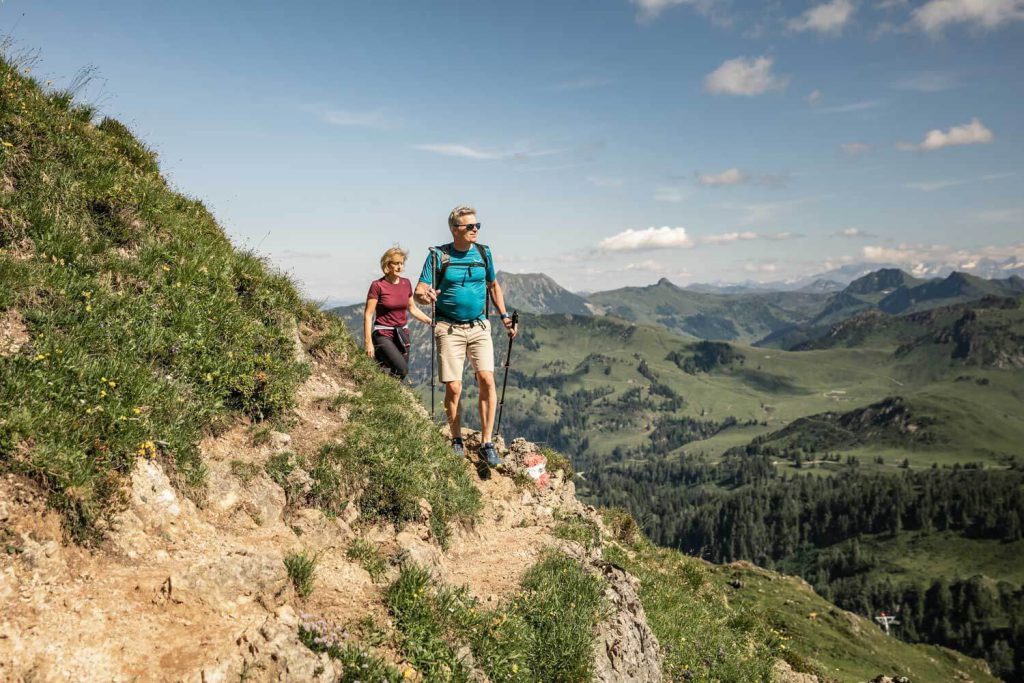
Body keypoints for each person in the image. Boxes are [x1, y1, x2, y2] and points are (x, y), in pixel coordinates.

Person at [415, 206, 517, 467]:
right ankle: (456, 438)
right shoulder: (438, 256)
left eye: (477, 226)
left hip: (479, 326)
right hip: (449, 328)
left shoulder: (484, 253)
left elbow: (493, 286)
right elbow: (419, 291)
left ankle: (487, 443)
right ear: (454, 229)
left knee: (486, 379)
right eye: (469, 226)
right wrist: (425, 296)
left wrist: (505, 317)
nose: (475, 230)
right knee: (454, 386)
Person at [364, 246, 431, 379]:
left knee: (399, 375)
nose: (400, 267)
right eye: (396, 263)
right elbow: (368, 315)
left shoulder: (406, 283)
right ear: (387, 265)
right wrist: (368, 342)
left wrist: (430, 321)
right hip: (383, 334)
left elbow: (412, 309)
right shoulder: (377, 285)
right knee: (402, 369)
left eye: (401, 263)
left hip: (402, 335)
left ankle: (385, 395)